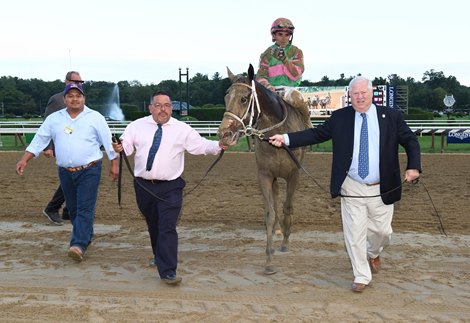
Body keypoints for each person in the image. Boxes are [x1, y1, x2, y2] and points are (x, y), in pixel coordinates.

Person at [268, 76, 421, 293]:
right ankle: (361, 275)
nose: (359, 97)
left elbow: (411, 141)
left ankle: (373, 253)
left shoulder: (392, 116)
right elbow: (316, 134)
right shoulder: (340, 118)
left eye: (363, 93)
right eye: (355, 94)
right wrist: (286, 139)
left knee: (382, 232)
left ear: (371, 93)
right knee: (354, 234)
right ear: (350, 96)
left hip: (384, 186)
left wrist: (413, 167)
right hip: (352, 185)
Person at [112, 91, 227, 285]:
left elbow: (200, 146)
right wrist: (119, 147)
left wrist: (219, 146)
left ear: (171, 108)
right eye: (158, 105)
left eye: (166, 105)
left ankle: (168, 271)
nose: (162, 109)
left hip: (171, 187)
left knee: (167, 227)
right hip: (143, 185)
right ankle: (159, 255)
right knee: (154, 224)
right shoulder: (136, 126)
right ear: (150, 108)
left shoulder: (182, 129)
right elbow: (127, 147)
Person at [16, 83, 119, 262]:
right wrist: (25, 159)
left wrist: (114, 164)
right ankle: (86, 235)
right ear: (64, 99)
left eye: (78, 96)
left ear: (84, 98)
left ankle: (78, 245)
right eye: (70, 96)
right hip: (65, 172)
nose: (74, 99)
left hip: (90, 170)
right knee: (73, 210)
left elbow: (108, 142)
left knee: (85, 208)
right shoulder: (54, 119)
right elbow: (40, 140)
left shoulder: (95, 118)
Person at [42, 71, 85, 225]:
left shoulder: (79, 98)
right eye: (76, 81)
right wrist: (48, 146)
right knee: (72, 178)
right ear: (66, 81)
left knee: (76, 177)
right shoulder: (56, 99)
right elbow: (47, 124)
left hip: (77, 146)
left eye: (81, 81)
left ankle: (68, 210)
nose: (79, 83)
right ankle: (52, 208)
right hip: (61, 145)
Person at [256, 17, 310, 127]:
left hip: (289, 90)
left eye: (287, 35)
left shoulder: (296, 51)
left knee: (298, 99)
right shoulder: (266, 54)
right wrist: (269, 87)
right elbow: (260, 76)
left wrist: (285, 60)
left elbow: (296, 74)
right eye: (280, 34)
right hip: (270, 91)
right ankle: (253, 132)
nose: (284, 38)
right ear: (274, 35)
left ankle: (307, 123)